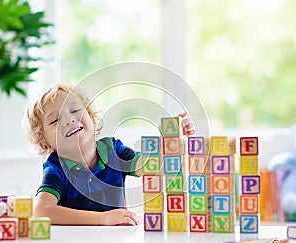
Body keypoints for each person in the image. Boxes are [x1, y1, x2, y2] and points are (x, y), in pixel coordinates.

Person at [22, 83, 194, 226]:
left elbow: (156, 167)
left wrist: (175, 143)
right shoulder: (56, 168)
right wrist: (102, 219)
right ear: (45, 144)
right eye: (55, 120)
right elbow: (41, 210)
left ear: (92, 118)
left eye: (74, 110)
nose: (69, 119)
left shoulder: (113, 150)